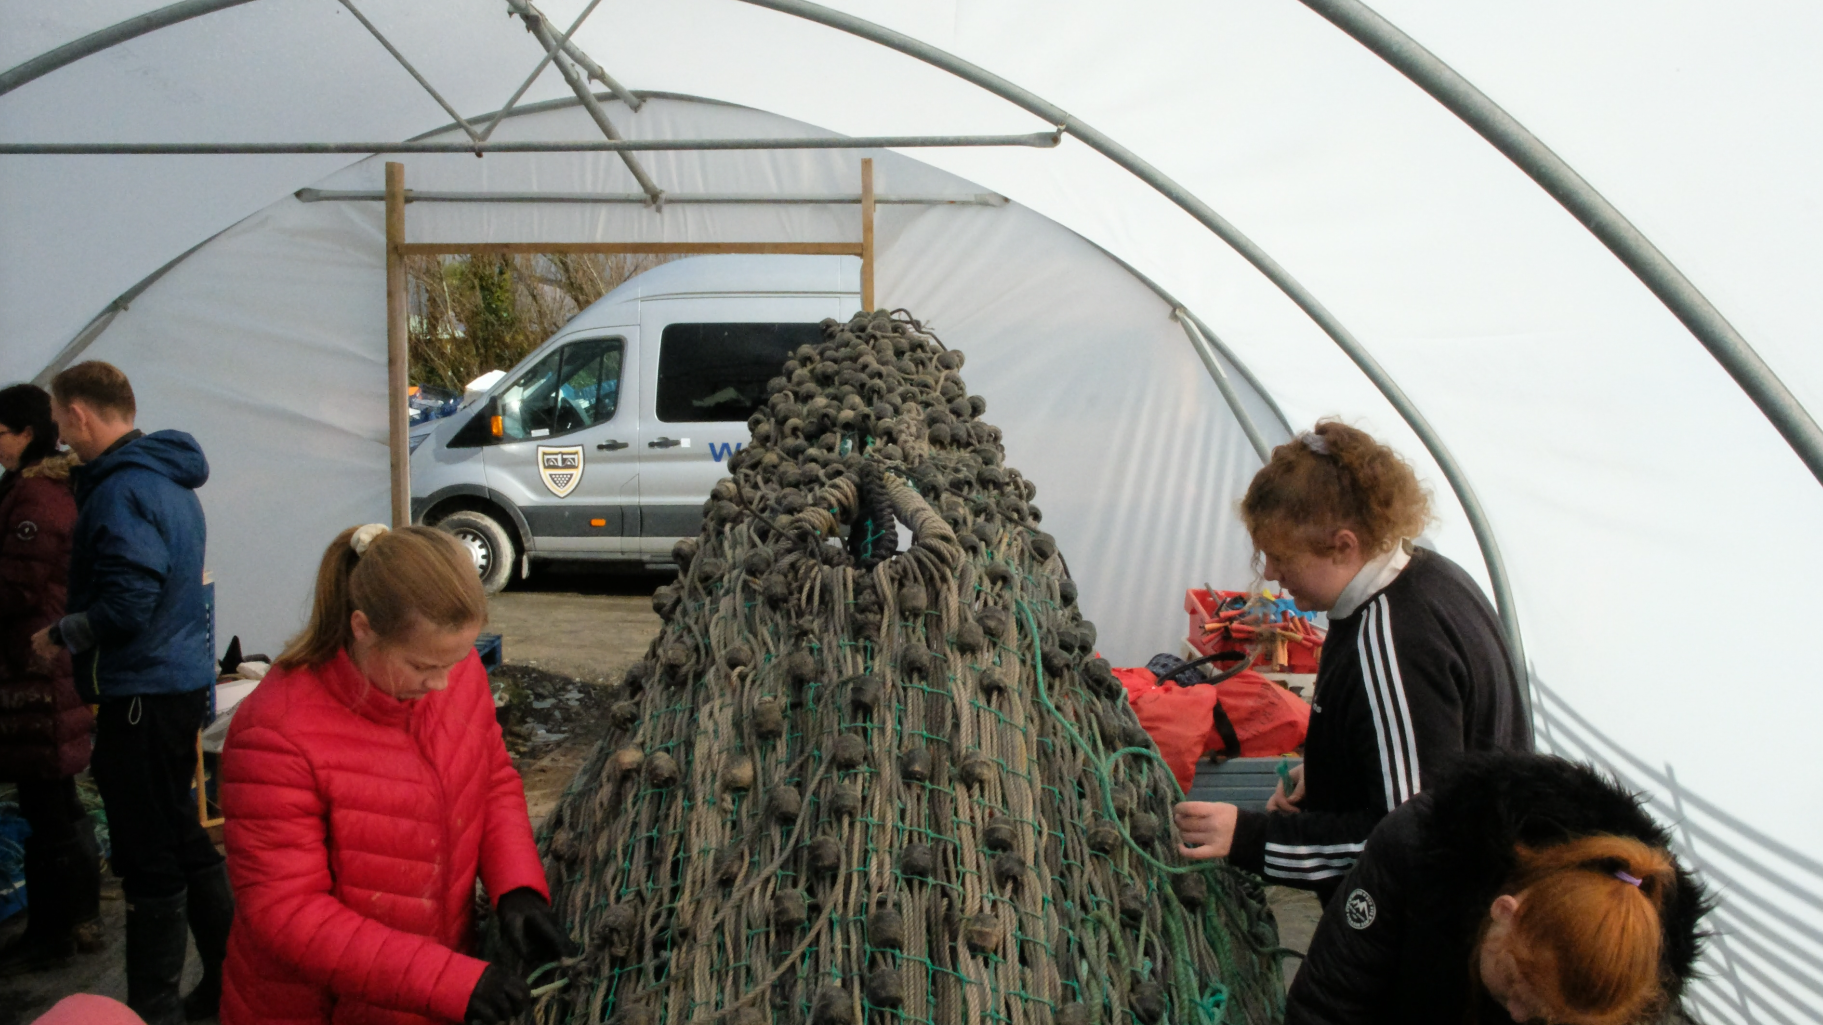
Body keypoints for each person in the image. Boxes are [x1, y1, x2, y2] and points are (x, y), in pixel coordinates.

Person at [219, 524, 568, 1025]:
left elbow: (490, 779)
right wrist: (446, 980)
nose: (442, 682)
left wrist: (516, 887)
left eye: (456, 659)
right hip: (317, 1009)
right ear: (362, 628)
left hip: (426, 990)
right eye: (422, 666)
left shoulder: (454, 671)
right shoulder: (276, 732)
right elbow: (287, 912)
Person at [1174, 421, 1530, 899]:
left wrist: (1249, 838)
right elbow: (1430, 753)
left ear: (1344, 545)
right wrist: (1329, 769)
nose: (1272, 573)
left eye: (1281, 556)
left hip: (1438, 918)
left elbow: (1411, 843)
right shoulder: (1431, 576)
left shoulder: (1395, 642)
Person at [26, 362, 229, 1023]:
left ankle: (155, 1007)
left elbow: (128, 602)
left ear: (79, 413)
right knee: (181, 832)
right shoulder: (168, 478)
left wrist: (62, 632)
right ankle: (226, 983)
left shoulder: (121, 489)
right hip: (175, 681)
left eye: (60, 421)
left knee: (148, 853)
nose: (60, 436)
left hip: (141, 690)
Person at [1285, 752, 1708, 1024]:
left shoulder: (1636, 985)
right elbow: (1328, 1001)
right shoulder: (1418, 846)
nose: (1518, 1016)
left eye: (1546, 1020)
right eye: (1514, 983)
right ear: (1505, 911)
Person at [0, 383, 101, 971]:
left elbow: (17, 587)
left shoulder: (36, 498)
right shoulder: (47, 489)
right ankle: (78, 920)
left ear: (27, 432)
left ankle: (54, 932)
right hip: (48, 667)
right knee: (56, 797)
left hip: (35, 670)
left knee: (47, 802)